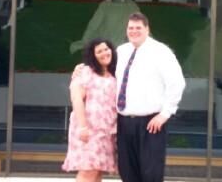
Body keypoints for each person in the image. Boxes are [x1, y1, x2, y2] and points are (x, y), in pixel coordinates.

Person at [116, 12, 185, 182]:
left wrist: (165, 114)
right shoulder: (121, 51)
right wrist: (81, 70)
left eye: (138, 28)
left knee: (151, 173)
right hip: (124, 122)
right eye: (130, 28)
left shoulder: (161, 51)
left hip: (151, 123)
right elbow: (105, 73)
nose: (134, 31)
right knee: (127, 171)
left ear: (147, 29)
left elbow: (177, 83)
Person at [62, 38, 118, 182]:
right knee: (88, 172)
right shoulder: (85, 72)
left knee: (98, 172)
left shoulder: (113, 74)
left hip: (106, 133)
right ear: (92, 56)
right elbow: (76, 99)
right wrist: (82, 127)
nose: (104, 53)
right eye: (99, 51)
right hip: (88, 131)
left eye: (106, 49)